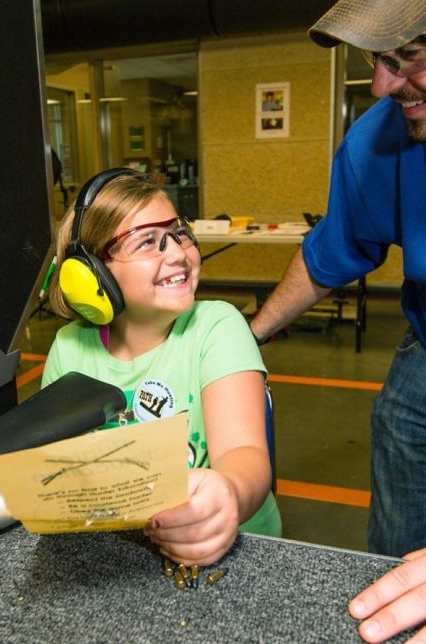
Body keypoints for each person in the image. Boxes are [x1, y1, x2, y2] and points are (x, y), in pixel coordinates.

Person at [250, 0, 426, 640]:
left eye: (409, 56)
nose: (384, 86)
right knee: (402, 426)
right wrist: (242, 336)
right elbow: (330, 258)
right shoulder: (381, 140)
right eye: (379, 59)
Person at [42, 168, 281, 566]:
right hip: (125, 552)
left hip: (234, 551)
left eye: (179, 233)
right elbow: (62, 473)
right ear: (92, 273)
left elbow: (245, 454)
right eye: (148, 241)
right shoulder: (69, 350)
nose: (177, 253)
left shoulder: (217, 326)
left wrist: (229, 496)